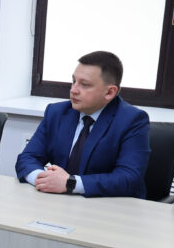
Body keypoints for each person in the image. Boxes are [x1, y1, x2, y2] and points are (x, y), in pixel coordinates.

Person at [15, 51, 150, 198]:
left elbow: (128, 178)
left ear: (109, 92)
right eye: (74, 81)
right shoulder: (57, 112)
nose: (73, 90)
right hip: (58, 201)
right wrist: (43, 180)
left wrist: (71, 183)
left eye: (84, 85)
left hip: (107, 205)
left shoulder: (132, 120)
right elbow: (27, 158)